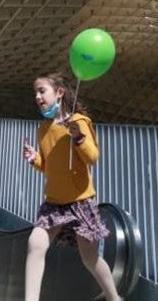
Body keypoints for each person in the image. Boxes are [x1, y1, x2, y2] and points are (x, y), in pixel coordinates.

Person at [21, 72, 120, 301]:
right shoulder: (43, 130)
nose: (37, 97)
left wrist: (79, 139)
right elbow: (48, 167)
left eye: (42, 91)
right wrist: (34, 158)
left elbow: (93, 158)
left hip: (80, 202)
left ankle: (114, 298)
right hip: (53, 203)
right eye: (35, 92)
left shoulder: (79, 122)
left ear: (59, 93)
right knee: (36, 243)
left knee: (90, 259)